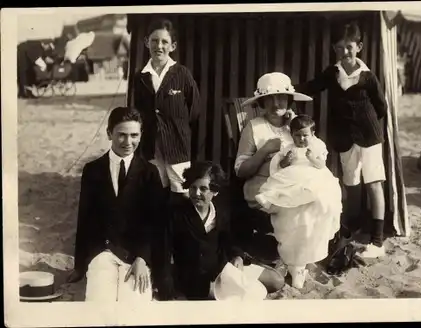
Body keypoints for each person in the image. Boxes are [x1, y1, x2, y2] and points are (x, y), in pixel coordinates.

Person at [295, 22, 388, 259]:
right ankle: (354, 227)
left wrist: (366, 125)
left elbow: (381, 107)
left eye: (349, 47)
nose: (344, 52)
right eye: (339, 48)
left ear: (359, 47)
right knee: (351, 184)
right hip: (345, 138)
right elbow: (312, 87)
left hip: (369, 136)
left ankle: (377, 241)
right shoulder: (332, 73)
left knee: (374, 184)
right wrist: (288, 89)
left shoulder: (367, 77)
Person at [67, 107, 164, 302]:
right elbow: (84, 218)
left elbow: (156, 222)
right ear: (109, 133)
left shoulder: (150, 173)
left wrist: (143, 258)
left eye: (134, 135)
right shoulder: (92, 170)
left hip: (136, 254)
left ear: (141, 134)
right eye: (121, 135)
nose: (128, 142)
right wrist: (80, 265)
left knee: (134, 305)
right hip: (102, 251)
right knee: (100, 302)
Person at [151, 161, 285, 300]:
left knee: (276, 281)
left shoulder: (221, 212)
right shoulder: (175, 214)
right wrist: (167, 292)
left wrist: (238, 256)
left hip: (224, 267)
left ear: (215, 191)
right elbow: (162, 256)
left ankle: (239, 286)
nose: (196, 193)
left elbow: (228, 242)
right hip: (199, 280)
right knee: (253, 294)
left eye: (203, 189)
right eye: (192, 187)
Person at [254, 115, 343, 288]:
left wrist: (312, 158)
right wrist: (286, 160)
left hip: (312, 178)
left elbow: (321, 165)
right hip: (291, 179)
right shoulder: (288, 147)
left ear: (312, 134)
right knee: (287, 200)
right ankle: (294, 264)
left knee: (318, 201)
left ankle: (301, 265)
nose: (301, 139)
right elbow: (280, 167)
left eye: (305, 135)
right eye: (297, 135)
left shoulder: (318, 146)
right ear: (292, 135)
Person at [233, 72, 311, 247]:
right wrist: (265, 150)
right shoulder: (254, 127)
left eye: (281, 97)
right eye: (269, 99)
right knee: (299, 207)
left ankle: (304, 254)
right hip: (263, 190)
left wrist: (294, 125)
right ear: (261, 102)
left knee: (322, 199)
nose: (276, 104)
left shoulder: (297, 126)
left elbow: (312, 154)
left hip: (295, 185)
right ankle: (292, 257)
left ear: (289, 99)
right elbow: (240, 171)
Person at [133, 18, 201, 204]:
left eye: (164, 42)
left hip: (177, 145)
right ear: (147, 42)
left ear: (173, 46)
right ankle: (160, 231)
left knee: (181, 191)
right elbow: (137, 111)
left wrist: (177, 129)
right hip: (151, 146)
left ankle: (180, 230)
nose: (159, 46)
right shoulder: (141, 77)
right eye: (154, 41)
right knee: (156, 190)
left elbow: (194, 110)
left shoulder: (181, 74)